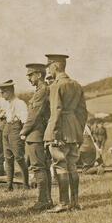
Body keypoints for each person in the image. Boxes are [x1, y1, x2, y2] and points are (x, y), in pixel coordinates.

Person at [44, 54, 88, 213]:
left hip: (60, 130)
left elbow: (56, 111)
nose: (48, 70)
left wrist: (54, 133)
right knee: (72, 166)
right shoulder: (76, 85)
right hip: (73, 130)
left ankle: (63, 203)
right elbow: (83, 112)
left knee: (60, 166)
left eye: (49, 67)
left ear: (55, 66)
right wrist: (78, 129)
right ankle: (75, 202)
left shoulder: (56, 86)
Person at [20, 63, 53, 211]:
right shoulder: (42, 90)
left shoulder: (42, 91)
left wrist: (23, 131)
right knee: (43, 168)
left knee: (39, 168)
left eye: (30, 74)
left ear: (39, 75)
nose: (28, 78)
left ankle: (43, 200)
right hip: (38, 134)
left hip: (36, 135)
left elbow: (34, 115)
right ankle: (47, 199)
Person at [0, 80, 29, 191]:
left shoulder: (20, 103)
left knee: (19, 157)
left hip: (16, 130)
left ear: (10, 91)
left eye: (3, 92)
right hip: (6, 129)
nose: (1, 95)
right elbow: (3, 116)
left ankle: (26, 184)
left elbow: (25, 120)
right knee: (8, 158)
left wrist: (23, 133)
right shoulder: (6, 103)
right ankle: (9, 185)